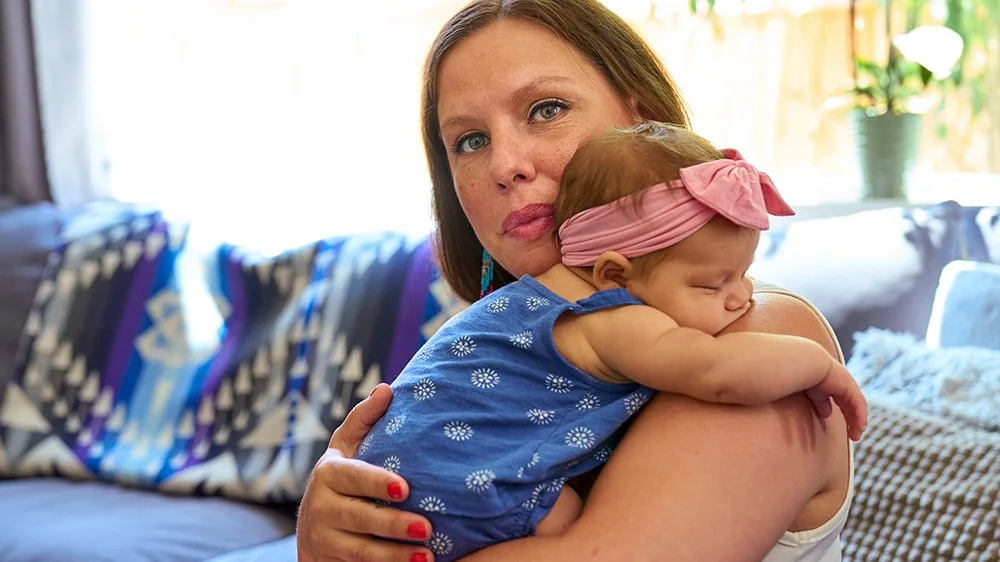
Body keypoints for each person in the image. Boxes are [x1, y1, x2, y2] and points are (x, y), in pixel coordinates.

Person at [297, 1, 858, 561]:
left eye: (547, 109)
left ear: (644, 122)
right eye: (469, 141)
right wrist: (324, 538)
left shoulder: (762, 336)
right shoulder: (510, 351)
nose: (505, 164)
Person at [351, 122, 867, 562]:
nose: (741, 298)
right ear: (613, 274)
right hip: (457, 490)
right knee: (560, 518)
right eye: (470, 139)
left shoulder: (514, 308)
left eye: (547, 110)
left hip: (398, 482)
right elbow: (715, 369)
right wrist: (818, 366)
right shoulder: (609, 315)